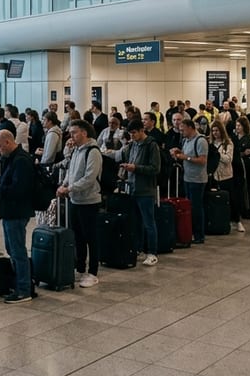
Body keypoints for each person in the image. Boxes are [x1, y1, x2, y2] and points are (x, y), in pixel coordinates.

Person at [0, 130, 36, 302]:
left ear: (8, 142)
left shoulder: (21, 160)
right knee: (12, 249)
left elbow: (19, 189)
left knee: (17, 250)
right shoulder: (12, 158)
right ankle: (21, 284)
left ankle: (24, 289)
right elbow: (11, 181)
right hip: (10, 211)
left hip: (17, 211)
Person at [108, 120, 161, 266]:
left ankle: (152, 252)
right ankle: (138, 249)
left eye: (134, 133)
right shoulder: (132, 145)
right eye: (130, 134)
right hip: (132, 188)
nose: (132, 136)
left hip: (146, 190)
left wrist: (136, 168)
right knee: (136, 222)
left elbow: (155, 168)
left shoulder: (152, 145)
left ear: (141, 130)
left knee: (149, 223)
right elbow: (119, 155)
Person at [58, 120, 103, 287]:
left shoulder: (93, 151)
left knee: (91, 237)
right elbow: (71, 171)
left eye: (75, 132)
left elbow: (89, 178)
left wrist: (70, 188)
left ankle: (93, 272)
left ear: (84, 133)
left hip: (89, 201)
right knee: (78, 236)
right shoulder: (76, 150)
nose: (71, 136)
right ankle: (80, 267)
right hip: (75, 200)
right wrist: (64, 184)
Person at [173, 117, 210, 241]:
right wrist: (179, 152)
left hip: (198, 179)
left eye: (183, 130)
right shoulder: (186, 141)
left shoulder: (201, 141)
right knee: (190, 207)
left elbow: (202, 160)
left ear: (190, 128)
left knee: (197, 207)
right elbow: (185, 153)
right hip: (187, 178)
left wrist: (185, 158)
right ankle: (191, 232)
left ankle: (199, 235)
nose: (181, 132)